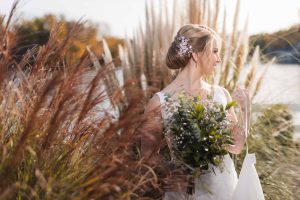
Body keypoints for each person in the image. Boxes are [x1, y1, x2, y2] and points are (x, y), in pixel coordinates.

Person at [141, 24, 250, 199]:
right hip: (182, 192)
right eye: (214, 51)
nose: (218, 59)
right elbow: (148, 156)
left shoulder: (221, 94)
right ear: (196, 54)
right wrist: (171, 173)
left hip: (224, 188)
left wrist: (244, 110)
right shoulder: (159, 102)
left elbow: (236, 147)